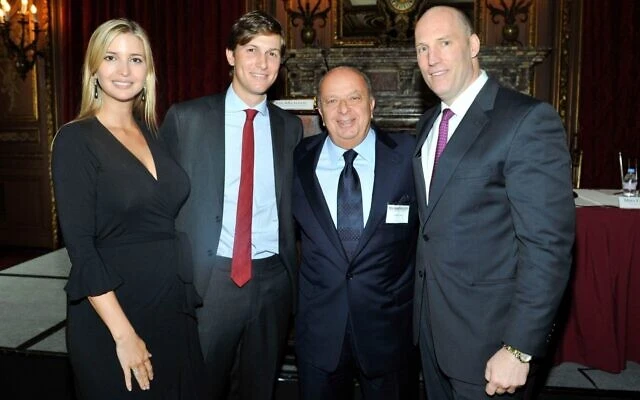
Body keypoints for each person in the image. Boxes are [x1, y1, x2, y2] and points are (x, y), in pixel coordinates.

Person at [412, 6, 576, 400]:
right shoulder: (428, 124)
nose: (432, 59)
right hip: (433, 335)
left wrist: (519, 347)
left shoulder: (526, 120)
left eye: (444, 43)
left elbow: (547, 246)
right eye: (422, 48)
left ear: (473, 45)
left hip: (492, 344)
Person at [51, 19, 205, 399]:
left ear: (147, 71)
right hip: (113, 318)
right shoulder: (75, 140)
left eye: (135, 59)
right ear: (93, 69)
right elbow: (81, 250)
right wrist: (124, 335)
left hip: (170, 308)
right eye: (111, 57)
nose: (124, 70)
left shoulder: (152, 133)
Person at [160, 10, 303, 400]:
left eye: (272, 53)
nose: (262, 63)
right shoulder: (186, 119)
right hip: (211, 282)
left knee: (259, 389)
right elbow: (160, 207)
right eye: (251, 50)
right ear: (230, 55)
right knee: (198, 387)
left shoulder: (290, 128)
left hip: (273, 282)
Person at [292, 66, 419, 400]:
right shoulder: (298, 159)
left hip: (390, 332)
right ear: (319, 111)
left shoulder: (410, 155)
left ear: (372, 104)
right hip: (319, 334)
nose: (343, 110)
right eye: (332, 100)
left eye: (354, 98)